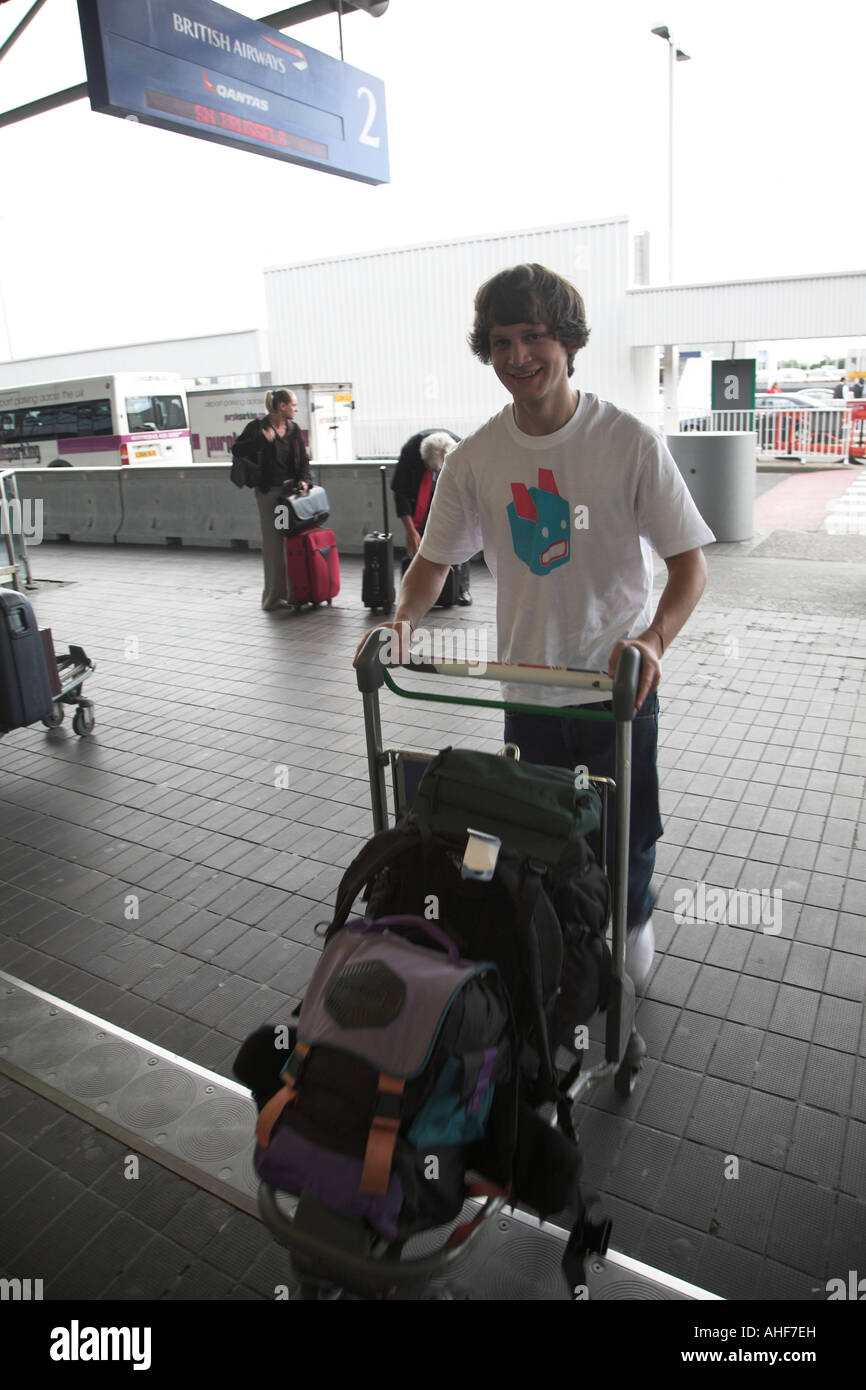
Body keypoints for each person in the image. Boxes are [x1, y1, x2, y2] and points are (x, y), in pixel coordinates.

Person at [366, 262, 715, 990]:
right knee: (534, 826)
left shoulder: (627, 442)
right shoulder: (477, 457)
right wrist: (402, 621)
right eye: (500, 341)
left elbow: (690, 566)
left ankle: (631, 920)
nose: (518, 356)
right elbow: (432, 562)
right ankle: (561, 935)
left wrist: (652, 641)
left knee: (626, 825)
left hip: (612, 684)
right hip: (523, 684)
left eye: (534, 336)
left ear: (570, 342)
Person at [232, 389, 312, 611]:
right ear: (281, 406)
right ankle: (273, 597)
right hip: (270, 495)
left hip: (289, 496)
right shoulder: (258, 428)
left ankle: (290, 592)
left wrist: (304, 479)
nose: (296, 409)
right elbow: (237, 449)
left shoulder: (293, 430)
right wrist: (260, 441)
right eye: (293, 405)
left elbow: (303, 459)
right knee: (274, 543)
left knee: (287, 540)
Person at [392, 428, 472, 604]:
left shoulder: (461, 448)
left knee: (460, 543)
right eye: (433, 469)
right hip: (419, 501)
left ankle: (461, 589)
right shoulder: (411, 452)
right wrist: (410, 530)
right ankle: (413, 592)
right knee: (417, 542)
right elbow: (400, 493)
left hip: (451, 499)